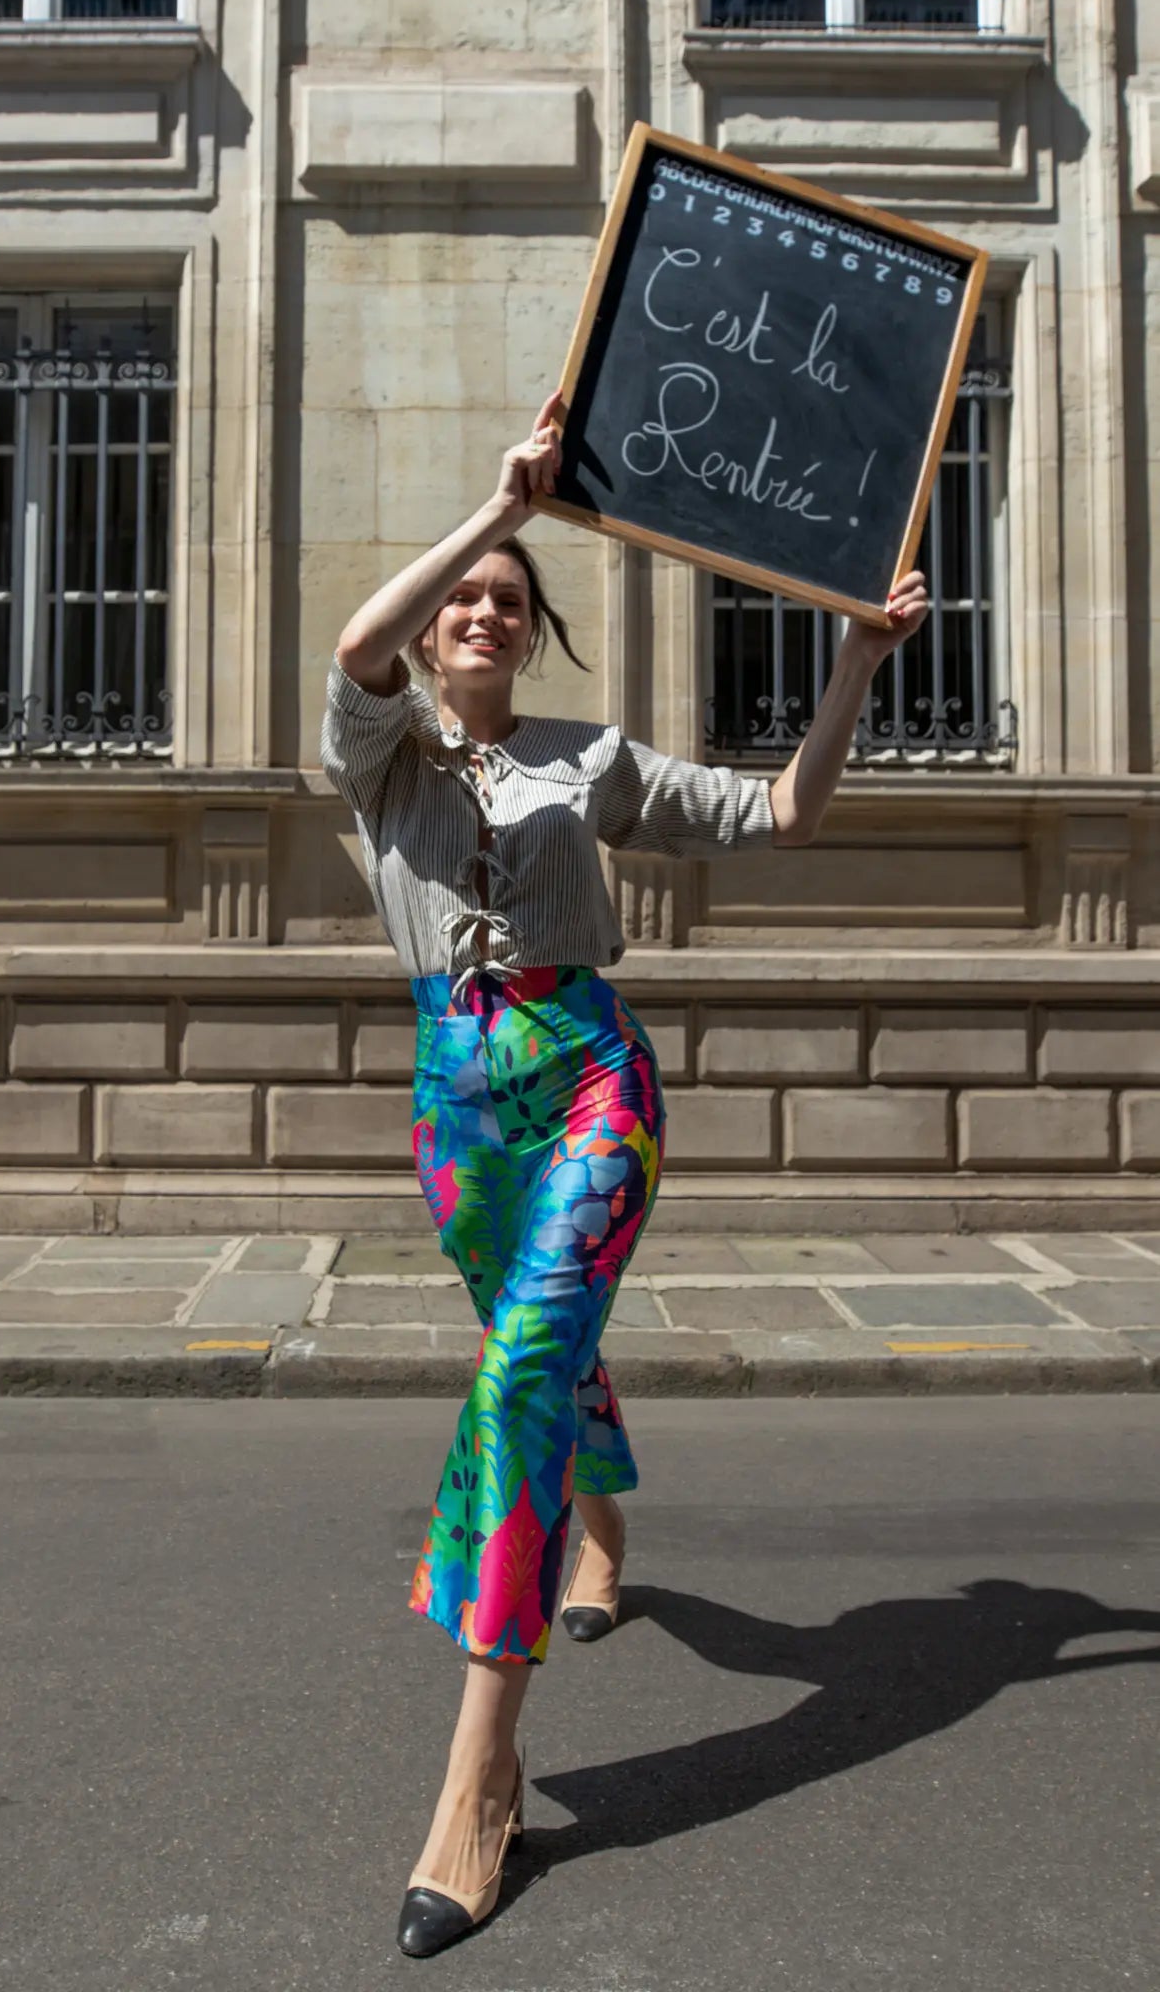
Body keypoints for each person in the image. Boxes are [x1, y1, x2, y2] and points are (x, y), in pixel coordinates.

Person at [321, 391, 929, 1959]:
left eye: (508, 608)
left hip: (593, 1076)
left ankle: (479, 1773)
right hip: (459, 1108)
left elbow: (784, 814)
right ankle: (599, 1511)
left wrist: (855, 664)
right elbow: (351, 647)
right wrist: (500, 510)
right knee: (535, 1352)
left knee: (523, 1360)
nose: (480, 611)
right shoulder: (381, 755)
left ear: (535, 644)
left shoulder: (587, 761)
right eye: (467, 598)